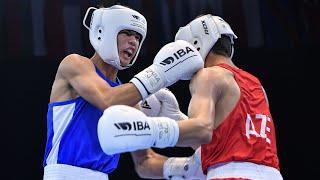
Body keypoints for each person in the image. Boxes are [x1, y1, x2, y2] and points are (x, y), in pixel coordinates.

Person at [98, 14, 283, 180]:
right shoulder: (256, 85)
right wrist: (177, 119)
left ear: (195, 45)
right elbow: (228, 144)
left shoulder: (208, 76)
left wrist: (144, 129)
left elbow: (203, 130)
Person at [42, 4, 204, 180]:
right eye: (127, 33)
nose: (133, 42)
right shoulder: (75, 64)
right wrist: (160, 73)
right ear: (105, 32)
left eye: (137, 37)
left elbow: (145, 162)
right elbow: (107, 100)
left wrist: (188, 166)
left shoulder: (129, 100)